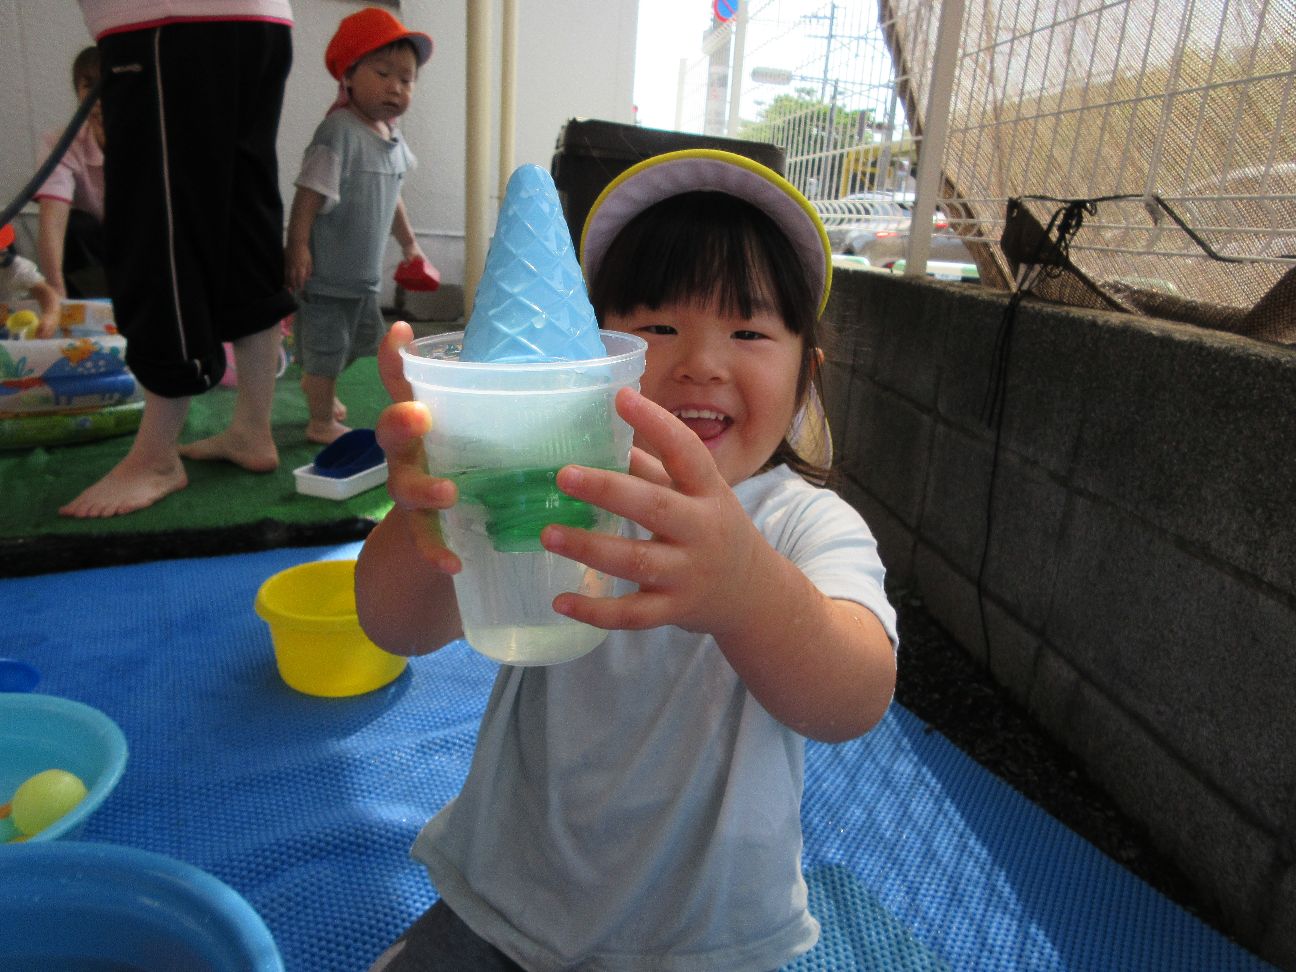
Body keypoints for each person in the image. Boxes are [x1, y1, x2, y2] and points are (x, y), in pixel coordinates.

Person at [356, 149, 900, 971]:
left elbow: (853, 698)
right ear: (589, 359)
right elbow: (393, 625)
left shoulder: (802, 523)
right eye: (658, 328)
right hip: (508, 896)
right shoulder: (554, 482)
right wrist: (433, 506)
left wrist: (745, 588)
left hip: (702, 938)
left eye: (749, 331)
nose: (700, 362)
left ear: (806, 378)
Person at [61, 2, 296, 518]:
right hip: (257, 21)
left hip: (164, 23)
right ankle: (251, 429)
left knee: (159, 229)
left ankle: (156, 458)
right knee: (242, 219)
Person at [284, 7, 433, 445]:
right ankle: (319, 419)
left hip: (362, 278)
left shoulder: (392, 137)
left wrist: (410, 244)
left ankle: (318, 380)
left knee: (356, 344)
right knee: (329, 345)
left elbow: (394, 194)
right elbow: (308, 194)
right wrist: (297, 246)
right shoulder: (338, 132)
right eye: (383, 73)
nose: (395, 87)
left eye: (406, 79)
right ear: (348, 75)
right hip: (327, 275)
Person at [34, 46, 107, 300]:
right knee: (76, 226)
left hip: (140, 245)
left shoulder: (156, 141)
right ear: (78, 93)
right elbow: (52, 218)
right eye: (89, 87)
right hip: (94, 254)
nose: (99, 100)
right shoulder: (62, 143)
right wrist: (55, 292)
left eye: (107, 85)